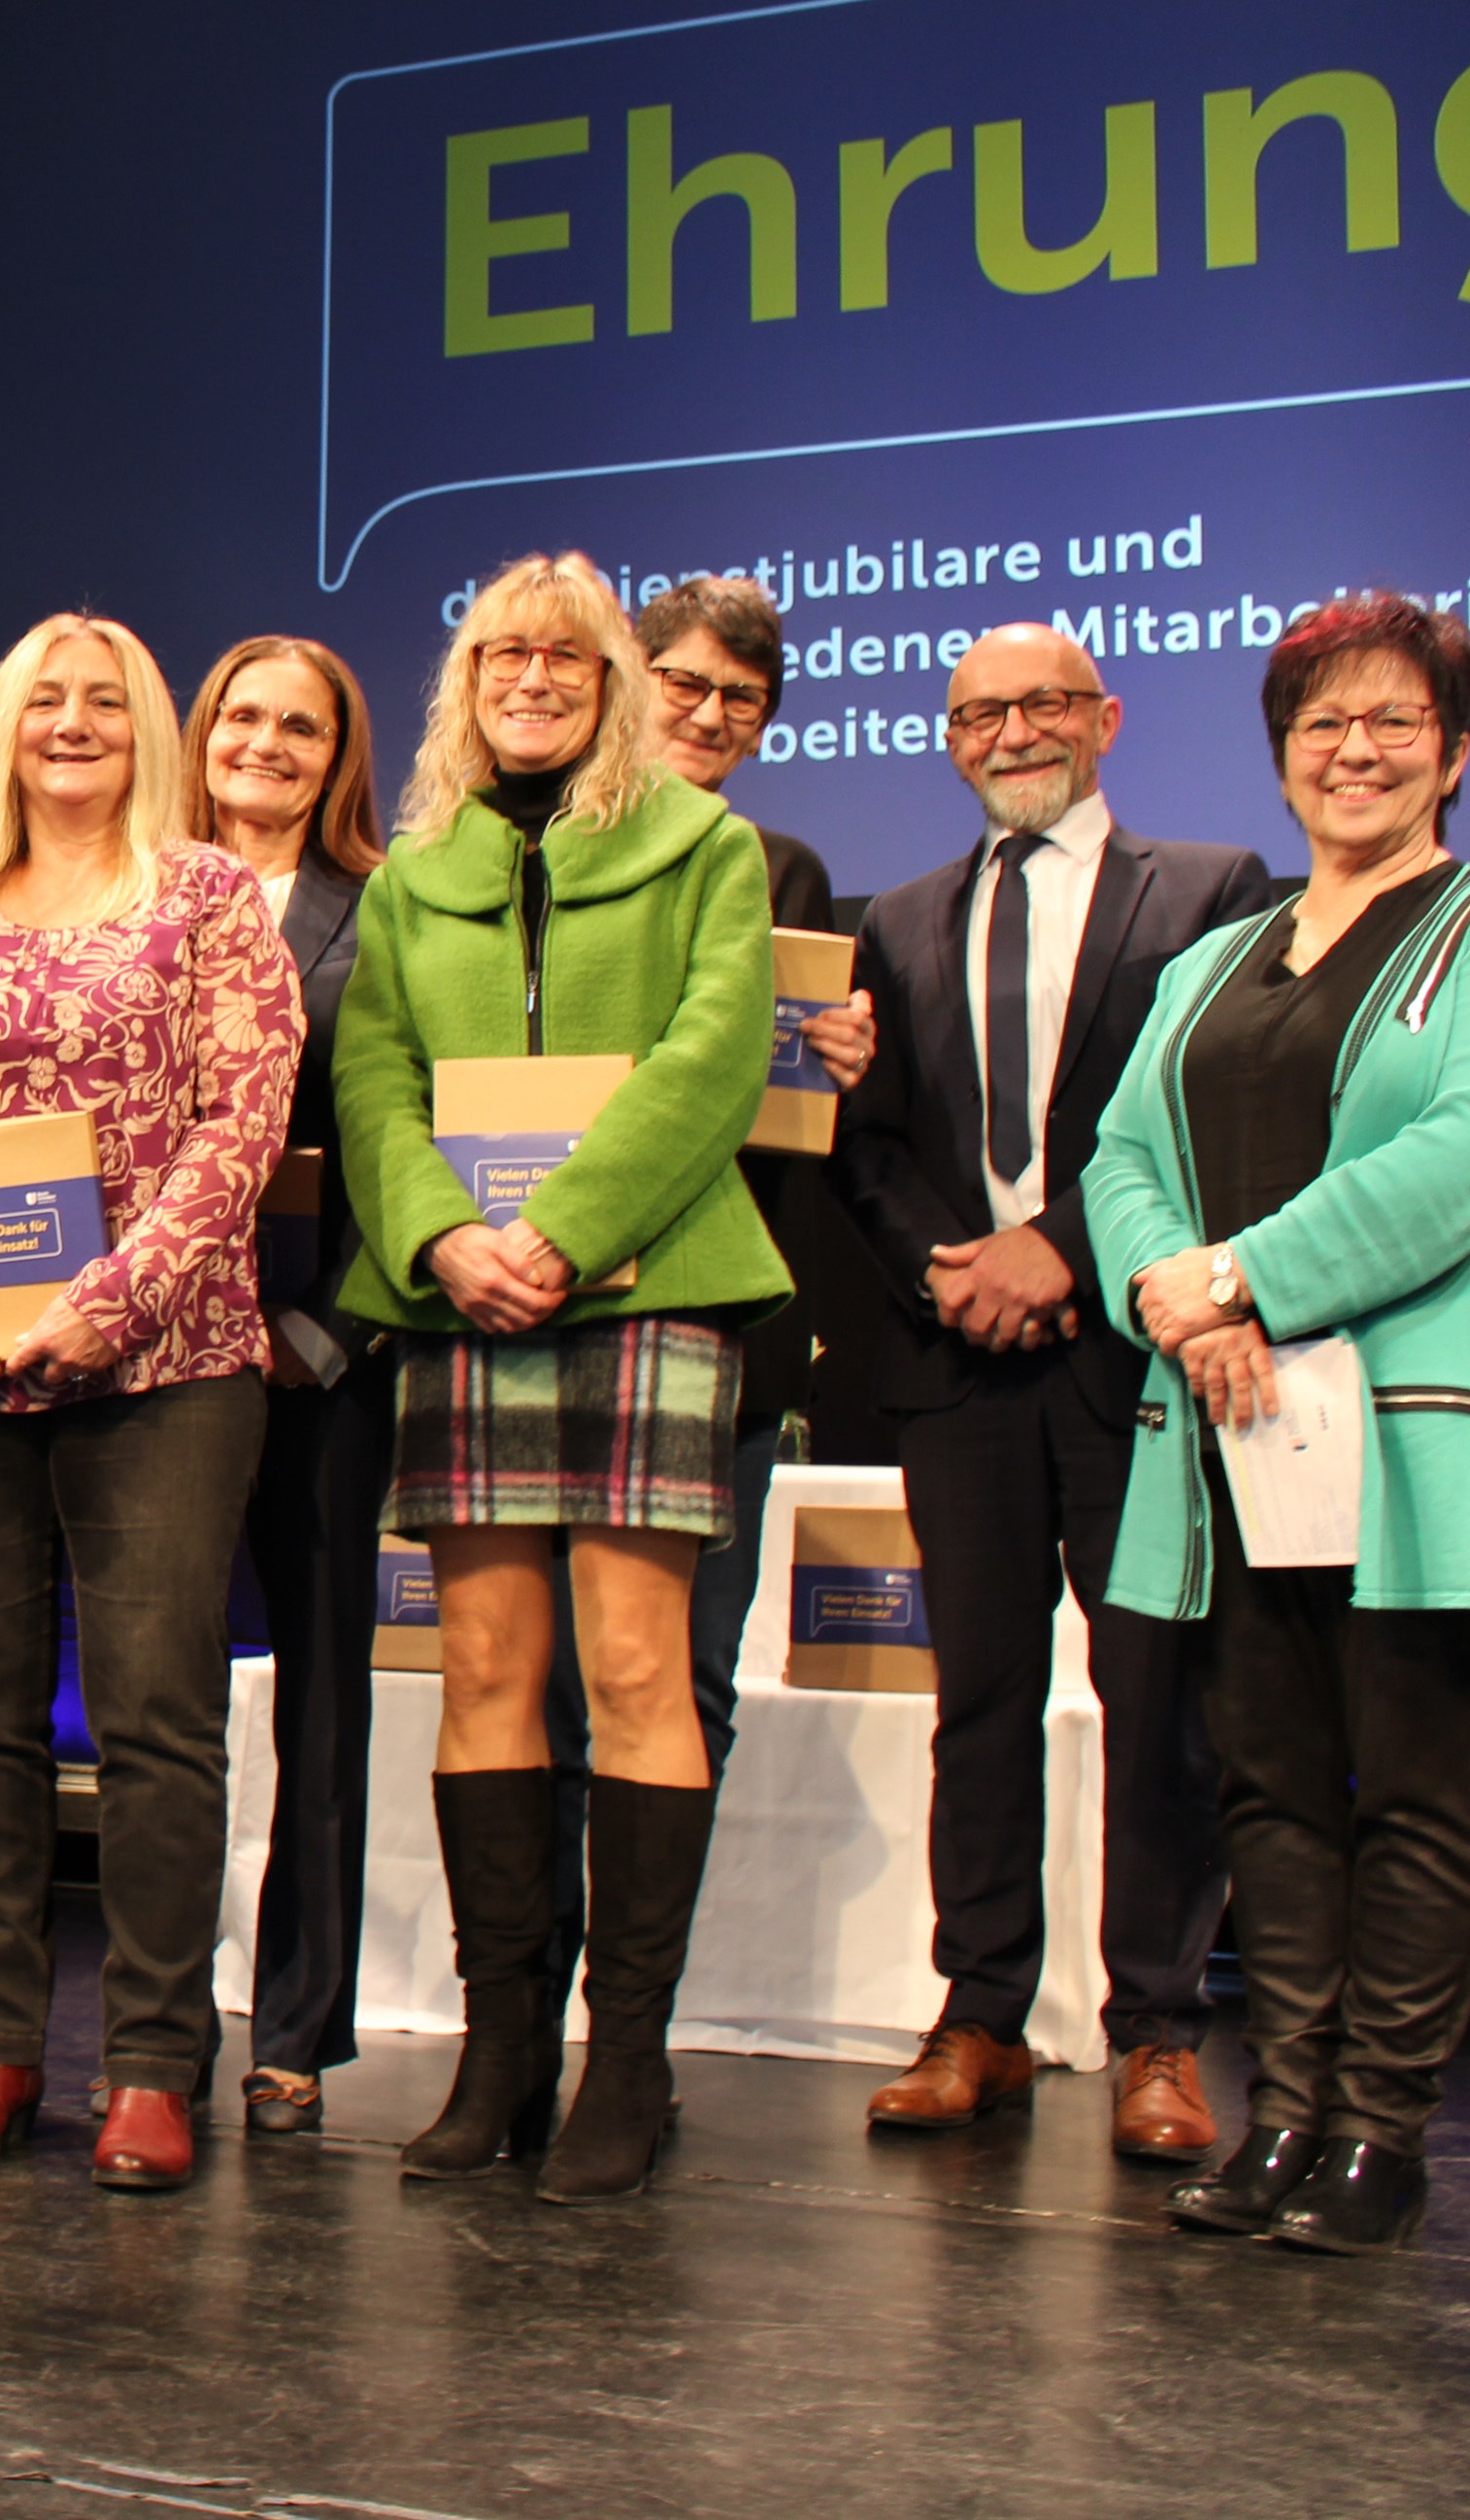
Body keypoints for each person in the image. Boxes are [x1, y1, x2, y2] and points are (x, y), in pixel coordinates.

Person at [1086, 595, 1470, 2255]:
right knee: (1269, 1789)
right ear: (1282, 754)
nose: (1354, 752)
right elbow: (1119, 1159)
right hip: (1232, 1442)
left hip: (1413, 1435)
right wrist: (1168, 1290)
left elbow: (1462, 1159)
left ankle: (1386, 2130)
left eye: (1391, 723)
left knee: (1417, 1792)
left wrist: (1239, 1281)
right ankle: (1288, 2111)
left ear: (1451, 752)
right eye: (1321, 725)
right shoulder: (1219, 956)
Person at [331, 551, 785, 2205]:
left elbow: (714, 1057)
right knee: (483, 1668)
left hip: (645, 1286)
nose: (529, 677)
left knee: (637, 1666)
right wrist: (450, 1238)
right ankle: (500, 2049)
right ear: (465, 683)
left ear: (611, 682)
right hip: (463, 1302)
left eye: (565, 657)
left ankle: (630, 2061)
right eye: (499, 653)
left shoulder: (704, 846)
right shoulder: (414, 872)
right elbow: (374, 1069)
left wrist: (568, 1232)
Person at [0, 611, 299, 2195]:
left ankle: (156, 2063)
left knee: (159, 1720)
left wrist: (107, 1305)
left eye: (109, 702)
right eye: (50, 700)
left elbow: (242, 1124)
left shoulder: (211, 897)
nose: (76, 723)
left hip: (161, 1365)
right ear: (8, 728)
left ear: (147, 729)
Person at [829, 622, 1271, 2160]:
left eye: (1042, 705)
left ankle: (1155, 2031)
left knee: (1159, 1708)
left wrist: (1055, 1254)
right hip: (958, 1368)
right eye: (978, 712)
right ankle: (981, 2017)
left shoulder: (1211, 890)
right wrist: (952, 1271)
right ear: (950, 739)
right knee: (982, 1707)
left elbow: (1212, 1106)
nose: (1011, 731)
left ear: (1107, 718)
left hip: (1127, 1352)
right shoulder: (892, 918)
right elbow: (867, 1143)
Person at [526, 578, 878, 2140]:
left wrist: (847, 1066)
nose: (709, 713)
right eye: (685, 681)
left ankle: (630, 2037)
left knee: (679, 1686)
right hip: (523, 1309)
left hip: (715, 1323)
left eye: (743, 697)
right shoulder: (521, 840)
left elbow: (774, 1110)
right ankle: (516, 2020)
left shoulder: (777, 867)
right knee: (520, 1686)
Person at [176, 634, 391, 2137]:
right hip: (151, 1360)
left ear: (339, 756)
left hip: (321, 1360)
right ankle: (157, 2015)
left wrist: (326, 1333)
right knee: (160, 1702)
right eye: (240, 717)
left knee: (319, 1698)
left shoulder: (387, 914)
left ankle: (299, 2030)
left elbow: (411, 1134)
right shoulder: (128, 903)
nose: (263, 744)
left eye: (297, 727)